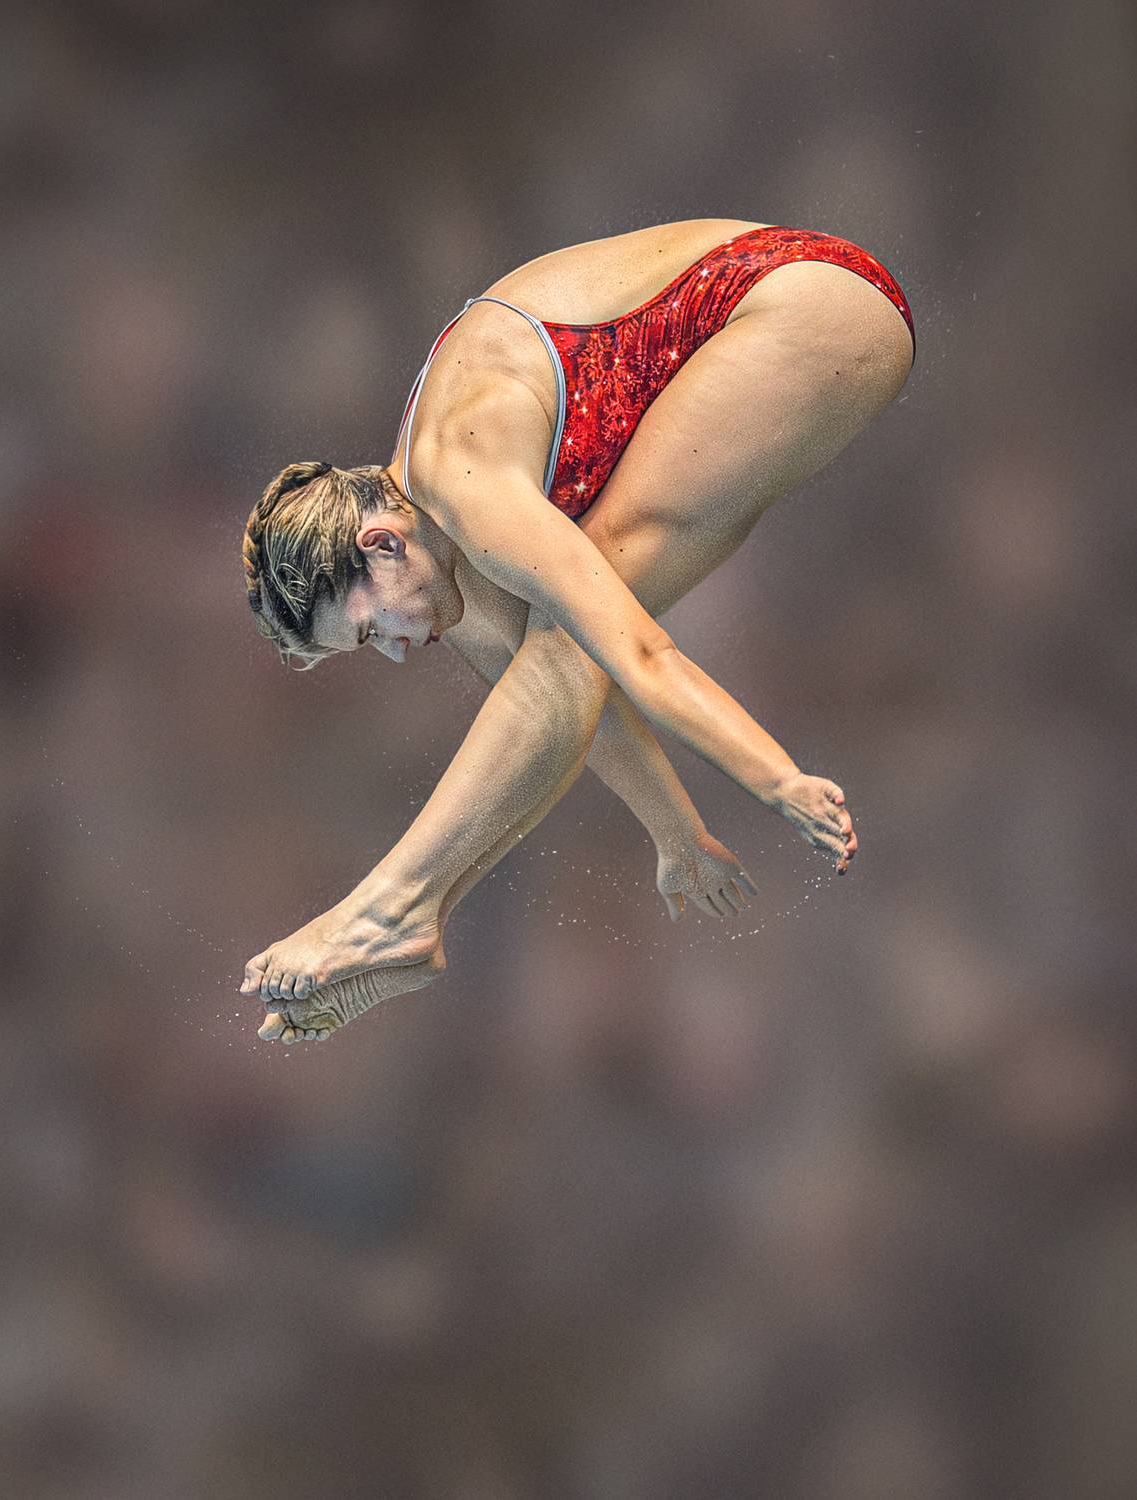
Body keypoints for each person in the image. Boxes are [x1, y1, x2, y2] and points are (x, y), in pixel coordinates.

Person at [238, 219, 915, 1043]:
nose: (399, 650)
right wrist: (678, 834)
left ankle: (386, 908)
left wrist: (776, 781)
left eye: (373, 628)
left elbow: (634, 652)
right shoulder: (449, 554)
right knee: (556, 643)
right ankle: (417, 915)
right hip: (789, 317)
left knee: (579, 626)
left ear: (380, 544)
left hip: (813, 303)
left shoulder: (464, 478)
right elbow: (563, 712)